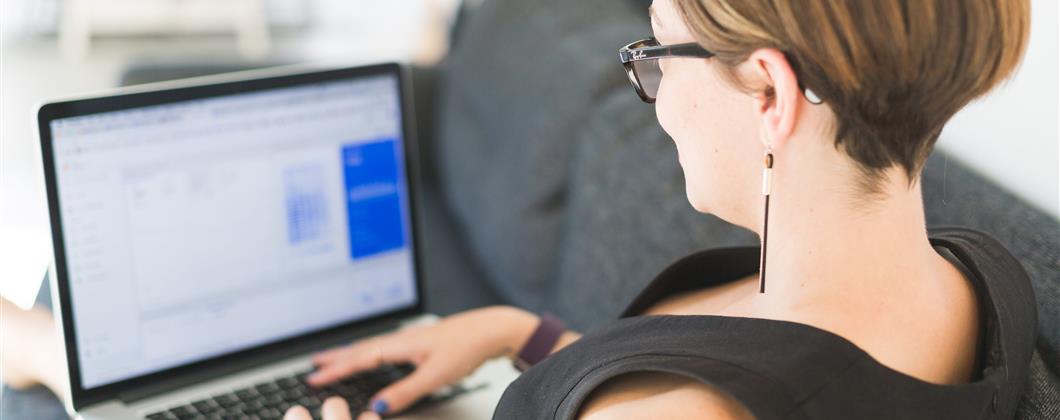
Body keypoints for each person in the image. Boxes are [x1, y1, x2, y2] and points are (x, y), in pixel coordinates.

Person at [2, 0, 1036, 419]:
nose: (656, 96)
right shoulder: (973, 275)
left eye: (656, 55)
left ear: (768, 94)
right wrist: (518, 330)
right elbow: (788, 377)